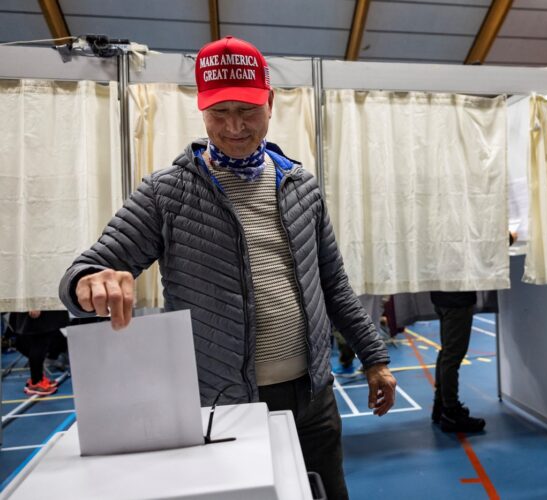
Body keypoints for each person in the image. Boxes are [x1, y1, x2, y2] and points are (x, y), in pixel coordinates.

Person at [59, 35, 396, 499]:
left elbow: (333, 285)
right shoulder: (166, 193)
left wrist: (375, 359)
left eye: (247, 110)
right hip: (225, 405)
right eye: (219, 112)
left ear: (270, 104)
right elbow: (88, 269)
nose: (234, 126)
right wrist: (89, 283)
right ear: (201, 109)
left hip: (313, 399)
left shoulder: (301, 187)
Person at [430, 232, 516, 433]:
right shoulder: (464, 223)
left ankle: (440, 405)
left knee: (446, 353)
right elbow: (485, 243)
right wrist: (510, 237)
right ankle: (451, 412)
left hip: (441, 294)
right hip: (457, 298)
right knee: (452, 356)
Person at [9, 310, 69, 396]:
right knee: (40, 340)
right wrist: (34, 306)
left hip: (44, 309)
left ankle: (38, 377)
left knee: (45, 338)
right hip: (38, 308)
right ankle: (36, 382)